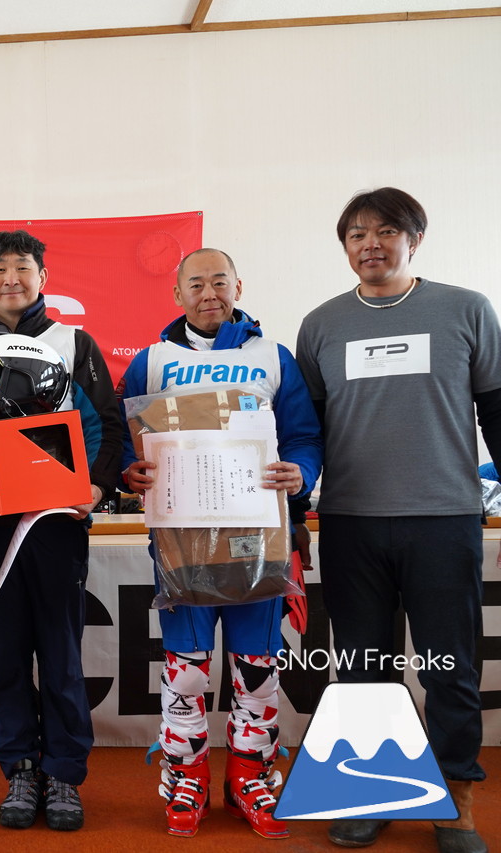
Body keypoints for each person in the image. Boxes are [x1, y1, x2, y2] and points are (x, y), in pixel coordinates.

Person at [295, 188, 500, 853]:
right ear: (345, 247)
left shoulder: (466, 309)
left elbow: (496, 415)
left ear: (415, 238)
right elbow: (305, 433)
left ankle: (456, 804)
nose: (370, 244)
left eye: (386, 231)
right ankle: (371, 791)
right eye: (356, 234)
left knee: (451, 668)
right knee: (361, 666)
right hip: (351, 521)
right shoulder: (321, 324)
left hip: (444, 517)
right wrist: (291, 509)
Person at [119, 248, 322, 839]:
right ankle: (186, 774)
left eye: (219, 281)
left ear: (238, 285)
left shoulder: (273, 357)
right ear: (177, 294)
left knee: (256, 660)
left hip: (258, 531)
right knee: (186, 664)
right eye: (196, 283)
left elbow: (305, 435)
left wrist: (300, 471)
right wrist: (130, 474)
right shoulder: (152, 362)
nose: (209, 293)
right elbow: (129, 442)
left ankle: (249, 774)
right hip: (181, 536)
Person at [0, 229, 122, 832]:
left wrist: (95, 488)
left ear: (42, 277)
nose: (11, 278)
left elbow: (109, 426)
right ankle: (19, 767)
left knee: (61, 651)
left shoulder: (74, 343)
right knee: (5, 651)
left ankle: (63, 771)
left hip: (58, 522)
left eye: (22, 267)